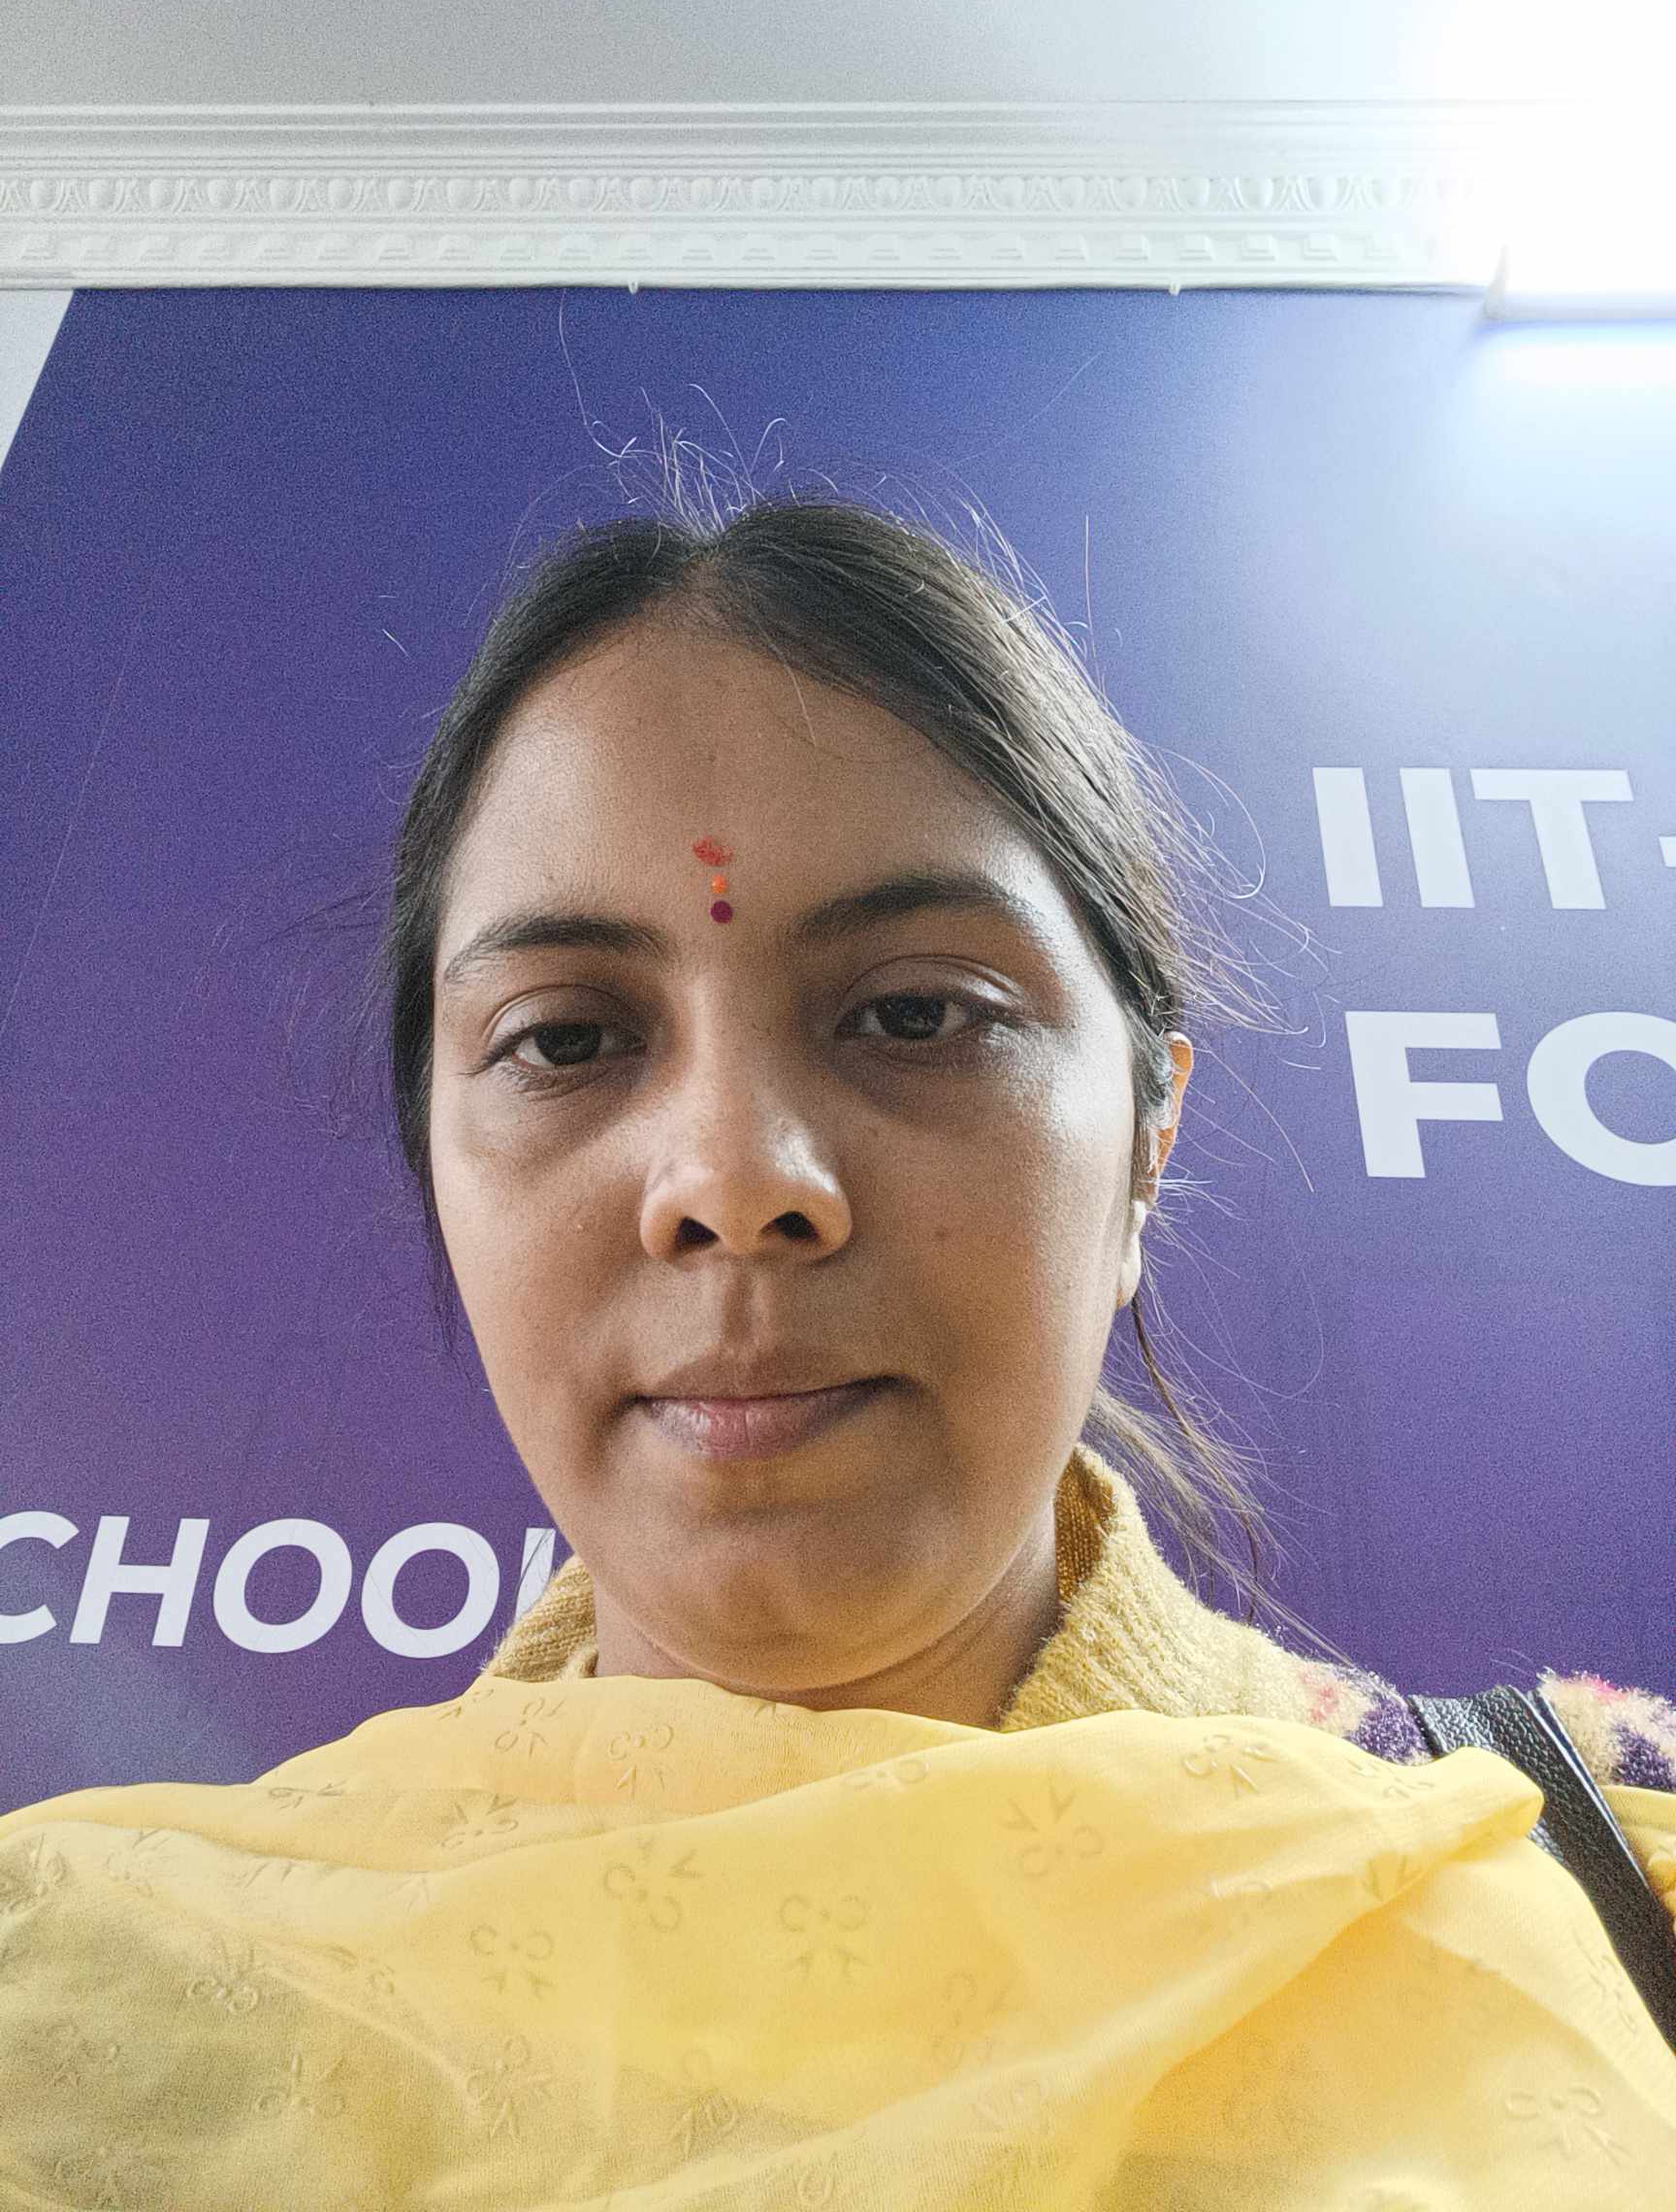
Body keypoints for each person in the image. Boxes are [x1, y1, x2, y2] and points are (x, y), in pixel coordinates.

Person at [3, 494, 1673, 2209]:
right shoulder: (104, 2005)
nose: (734, 1183)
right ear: (435, 1157)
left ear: (1148, 1146)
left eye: (918, 1014)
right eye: (565, 1039)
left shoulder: (1612, 1875)